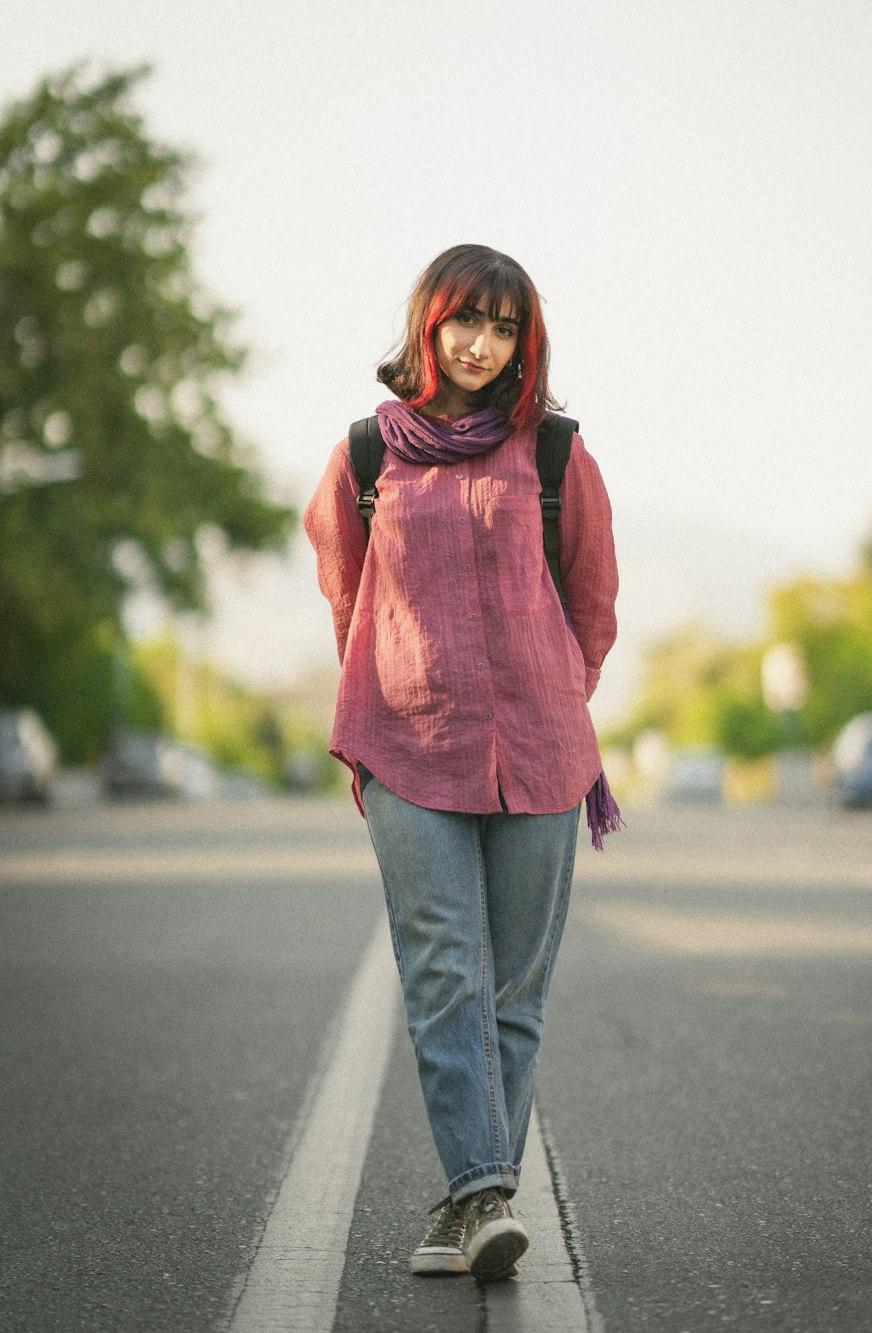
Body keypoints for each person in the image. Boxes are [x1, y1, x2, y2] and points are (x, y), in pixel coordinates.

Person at [304, 243, 618, 1283]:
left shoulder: (558, 457)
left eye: (503, 327)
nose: (481, 344)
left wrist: (546, 694)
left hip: (540, 748)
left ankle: (465, 1204)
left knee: (513, 992)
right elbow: (347, 596)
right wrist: (395, 680)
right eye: (463, 322)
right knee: (445, 972)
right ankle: (486, 1190)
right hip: (405, 743)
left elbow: (593, 607)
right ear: (426, 327)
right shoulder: (365, 456)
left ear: (524, 341)